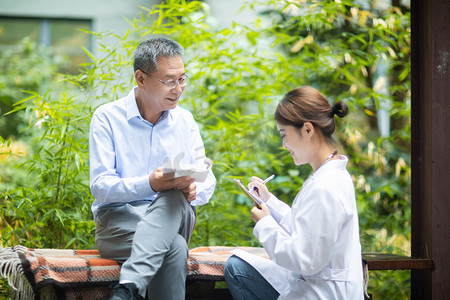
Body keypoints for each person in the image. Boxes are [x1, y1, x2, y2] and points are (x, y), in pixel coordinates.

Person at [89, 37, 216, 300]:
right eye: (169, 80)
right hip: (119, 222)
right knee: (175, 247)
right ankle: (131, 285)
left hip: (175, 213)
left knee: (173, 191)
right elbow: (101, 186)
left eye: (182, 79)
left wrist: (194, 188)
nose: (178, 89)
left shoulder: (185, 120)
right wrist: (150, 183)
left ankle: (129, 287)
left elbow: (207, 181)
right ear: (141, 78)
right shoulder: (107, 117)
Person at [224, 86, 364, 299]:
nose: (284, 144)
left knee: (236, 269)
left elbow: (305, 259)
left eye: (284, 135)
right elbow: (307, 228)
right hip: (319, 285)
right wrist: (268, 201)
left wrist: (265, 225)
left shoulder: (325, 186)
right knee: (237, 267)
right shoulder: (329, 175)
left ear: (307, 130)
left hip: (323, 292)